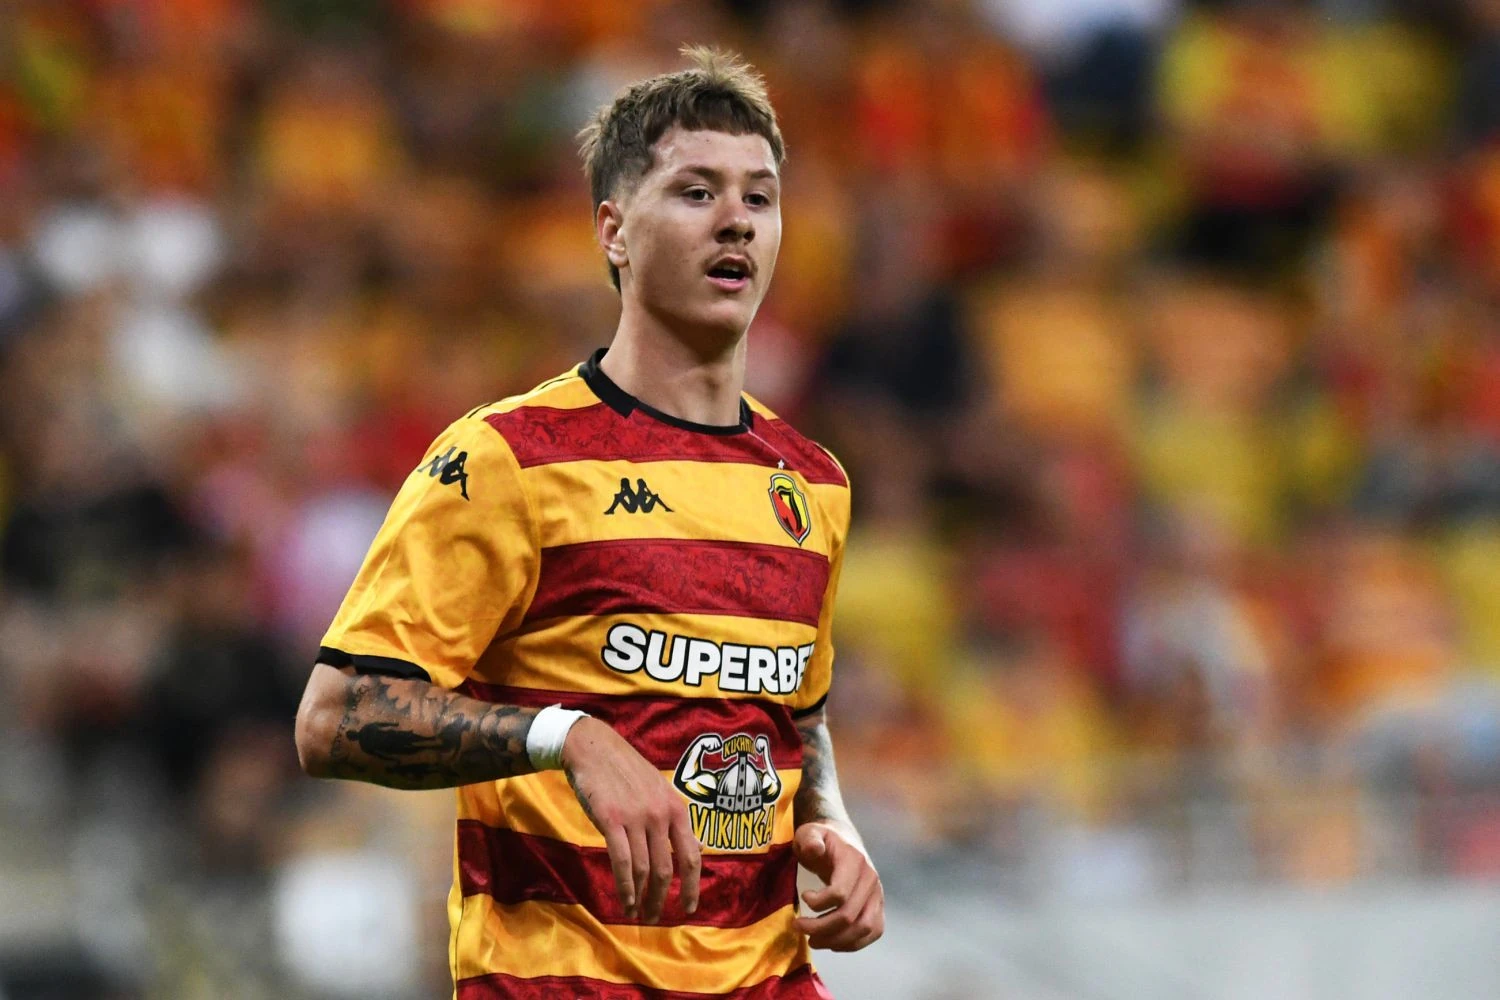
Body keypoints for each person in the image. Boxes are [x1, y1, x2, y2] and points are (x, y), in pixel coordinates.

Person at [294, 46, 883, 999]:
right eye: (696, 191)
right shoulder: (509, 459)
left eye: (760, 197)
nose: (736, 218)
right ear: (613, 230)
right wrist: (566, 736)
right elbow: (334, 717)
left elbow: (798, 717)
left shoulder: (812, 485)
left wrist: (834, 824)